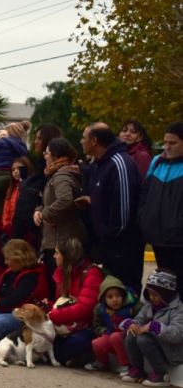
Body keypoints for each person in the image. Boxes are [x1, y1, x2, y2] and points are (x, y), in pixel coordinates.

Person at [81, 123, 143, 293]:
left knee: (124, 293)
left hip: (122, 245)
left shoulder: (119, 162)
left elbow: (124, 206)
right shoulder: (99, 164)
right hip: (106, 244)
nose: (81, 141)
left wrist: (110, 235)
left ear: (94, 141)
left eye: (84, 138)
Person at [34, 137, 88, 299]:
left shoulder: (61, 176)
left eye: (48, 153)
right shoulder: (59, 174)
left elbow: (65, 200)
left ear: (56, 156)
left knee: (61, 288)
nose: (45, 156)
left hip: (61, 240)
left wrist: (45, 214)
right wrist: (39, 209)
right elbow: (50, 201)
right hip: (58, 238)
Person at [138, 121, 183, 296]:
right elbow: (144, 192)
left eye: (173, 143)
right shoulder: (157, 162)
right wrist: (143, 218)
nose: (167, 147)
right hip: (157, 237)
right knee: (164, 290)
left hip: (178, 240)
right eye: (165, 142)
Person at [119, 269, 183, 387]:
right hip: (157, 345)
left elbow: (177, 334)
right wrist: (131, 324)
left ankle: (161, 374)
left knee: (143, 339)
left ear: (166, 294)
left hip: (172, 351)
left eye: (155, 294)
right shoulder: (149, 305)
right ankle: (137, 370)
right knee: (131, 335)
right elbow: (139, 319)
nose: (151, 297)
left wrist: (154, 327)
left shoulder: (178, 309)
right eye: (149, 293)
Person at [48, 238, 103, 366]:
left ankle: (85, 355)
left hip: (85, 326)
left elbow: (85, 308)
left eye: (57, 253)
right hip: (66, 324)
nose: (54, 256)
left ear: (67, 256)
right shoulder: (62, 273)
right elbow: (62, 302)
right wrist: (48, 306)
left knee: (74, 343)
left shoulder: (91, 273)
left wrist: (53, 315)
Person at [85, 275, 141, 375]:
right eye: (110, 297)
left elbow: (142, 319)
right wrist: (104, 331)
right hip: (111, 334)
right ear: (103, 299)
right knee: (96, 343)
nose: (115, 299)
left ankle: (126, 366)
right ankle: (102, 363)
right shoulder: (100, 309)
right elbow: (97, 326)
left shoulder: (133, 306)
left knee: (115, 337)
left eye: (118, 295)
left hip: (129, 337)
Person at [1, 157, 33, 237]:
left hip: (27, 230)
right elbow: (6, 211)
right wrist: (6, 225)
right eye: (13, 170)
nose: (15, 171)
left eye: (19, 168)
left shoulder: (31, 186)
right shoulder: (11, 189)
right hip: (12, 230)